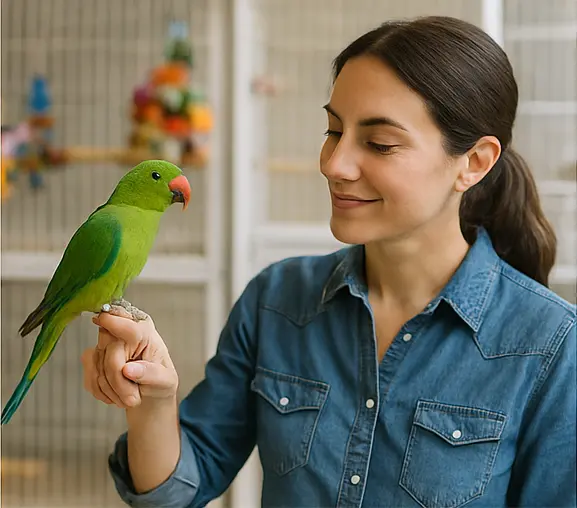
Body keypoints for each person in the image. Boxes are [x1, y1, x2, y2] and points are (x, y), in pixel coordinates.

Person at [82, 15, 576, 508]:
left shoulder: (550, 343)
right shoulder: (276, 301)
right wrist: (153, 403)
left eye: (379, 143)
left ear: (474, 162)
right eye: (333, 130)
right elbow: (173, 494)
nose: (334, 164)